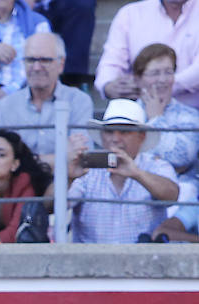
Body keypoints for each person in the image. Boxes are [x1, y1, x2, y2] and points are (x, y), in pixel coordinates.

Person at [67, 98, 179, 244]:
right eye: (109, 131)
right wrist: (68, 177)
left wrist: (137, 174)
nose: (115, 138)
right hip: (91, 263)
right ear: (102, 135)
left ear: (142, 136)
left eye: (124, 131)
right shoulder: (87, 168)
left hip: (144, 263)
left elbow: (172, 195)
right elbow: (53, 206)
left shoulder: (156, 166)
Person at [0, 31, 92, 171]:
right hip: (19, 188)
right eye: (30, 60)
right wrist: (59, 158)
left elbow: (80, 158)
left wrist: (24, 161)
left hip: (66, 185)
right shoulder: (5, 106)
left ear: (61, 64)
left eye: (45, 60)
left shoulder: (79, 101)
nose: (36, 67)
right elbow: (0, 164)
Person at [95, 0, 199, 109]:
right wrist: (108, 86)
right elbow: (112, 62)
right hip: (137, 111)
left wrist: (156, 86)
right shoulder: (130, 14)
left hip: (193, 115)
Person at [132, 43, 199, 184]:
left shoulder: (190, 116)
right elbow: (120, 158)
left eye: (168, 72)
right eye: (155, 73)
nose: (163, 80)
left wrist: (156, 119)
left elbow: (182, 157)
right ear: (138, 78)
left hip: (182, 192)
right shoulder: (127, 113)